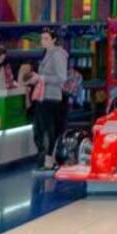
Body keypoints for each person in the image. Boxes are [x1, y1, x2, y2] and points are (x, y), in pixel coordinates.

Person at [33, 27, 70, 169]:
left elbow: (61, 78)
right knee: (40, 130)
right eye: (42, 38)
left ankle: (49, 160)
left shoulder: (58, 54)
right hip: (43, 96)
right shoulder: (47, 53)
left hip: (52, 97)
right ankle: (46, 159)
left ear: (54, 39)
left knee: (49, 130)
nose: (43, 41)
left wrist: (41, 78)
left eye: (46, 38)